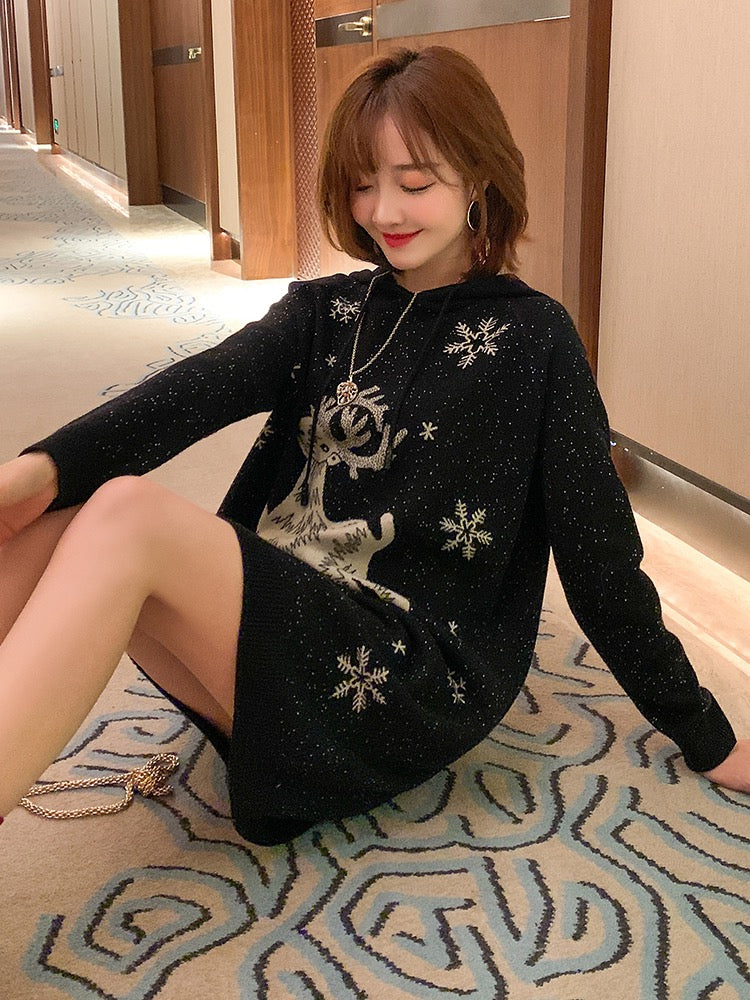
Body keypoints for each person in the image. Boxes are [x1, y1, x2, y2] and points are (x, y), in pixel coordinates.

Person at [0, 47, 747, 844]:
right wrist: (39, 470)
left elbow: (600, 557)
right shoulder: (326, 312)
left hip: (404, 675)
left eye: (415, 182)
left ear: (479, 177)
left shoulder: (534, 339)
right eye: (363, 183)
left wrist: (705, 732)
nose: (384, 209)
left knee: (125, 514)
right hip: (279, 638)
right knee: (51, 514)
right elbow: (190, 393)